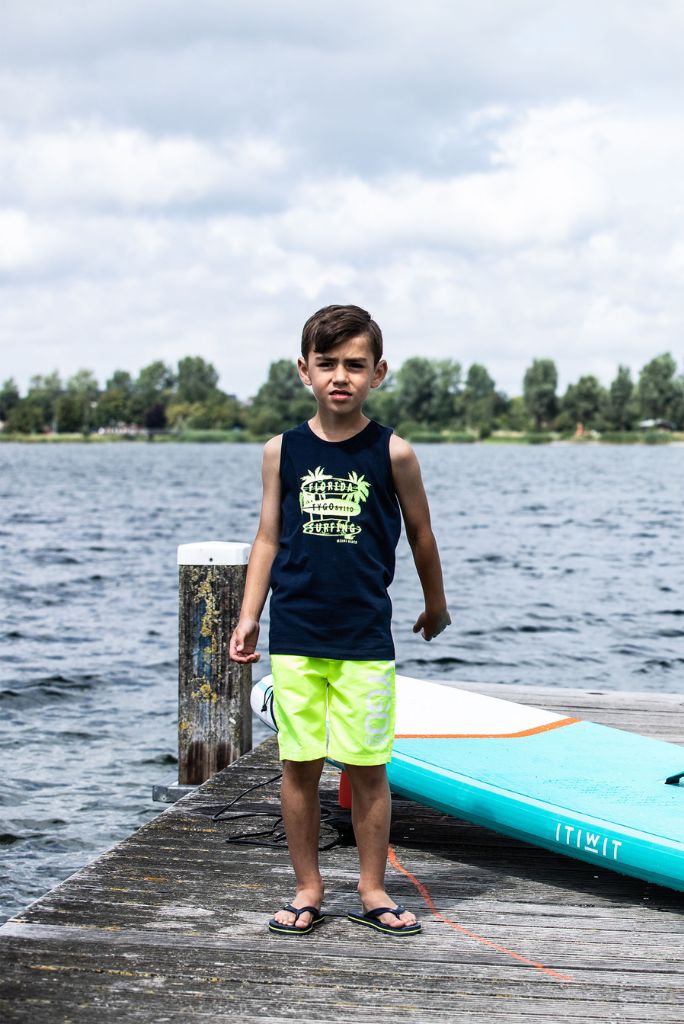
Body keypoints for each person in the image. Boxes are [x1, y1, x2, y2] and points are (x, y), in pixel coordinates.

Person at [230, 304, 451, 936]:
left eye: (355, 365)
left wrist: (435, 604)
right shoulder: (283, 451)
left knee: (367, 768)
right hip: (297, 636)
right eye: (326, 364)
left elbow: (422, 535)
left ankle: (373, 887)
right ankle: (307, 887)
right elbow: (268, 538)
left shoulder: (394, 452)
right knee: (298, 766)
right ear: (304, 370)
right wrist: (250, 616)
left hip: (364, 641)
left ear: (378, 373)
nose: (340, 377)